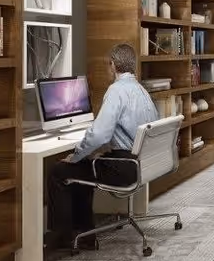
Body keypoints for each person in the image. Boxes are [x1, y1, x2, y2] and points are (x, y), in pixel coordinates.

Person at [45, 44, 159, 250]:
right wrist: (86, 155)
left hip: (124, 168)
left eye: (109, 65)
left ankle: (62, 235)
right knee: (86, 165)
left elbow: (99, 134)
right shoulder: (141, 90)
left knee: (59, 170)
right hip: (140, 164)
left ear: (113, 65)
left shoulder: (116, 91)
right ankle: (84, 233)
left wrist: (76, 154)